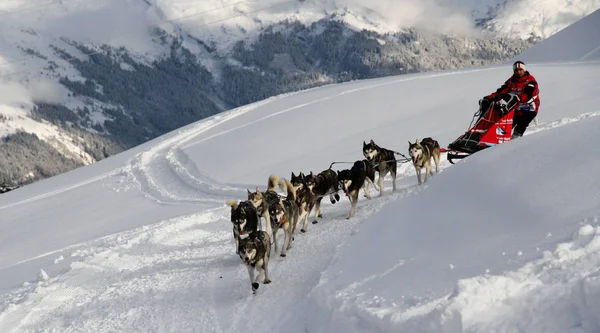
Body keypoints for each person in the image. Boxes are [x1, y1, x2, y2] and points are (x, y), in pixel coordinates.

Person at [482, 60, 540, 139]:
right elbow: (501, 91)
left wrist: (519, 98)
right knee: (506, 123)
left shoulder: (531, 81)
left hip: (529, 108)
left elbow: (528, 94)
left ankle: (515, 138)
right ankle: (496, 138)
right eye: (516, 70)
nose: (518, 72)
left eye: (520, 70)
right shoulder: (511, 81)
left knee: (522, 122)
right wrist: (489, 98)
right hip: (515, 107)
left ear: (524, 70)